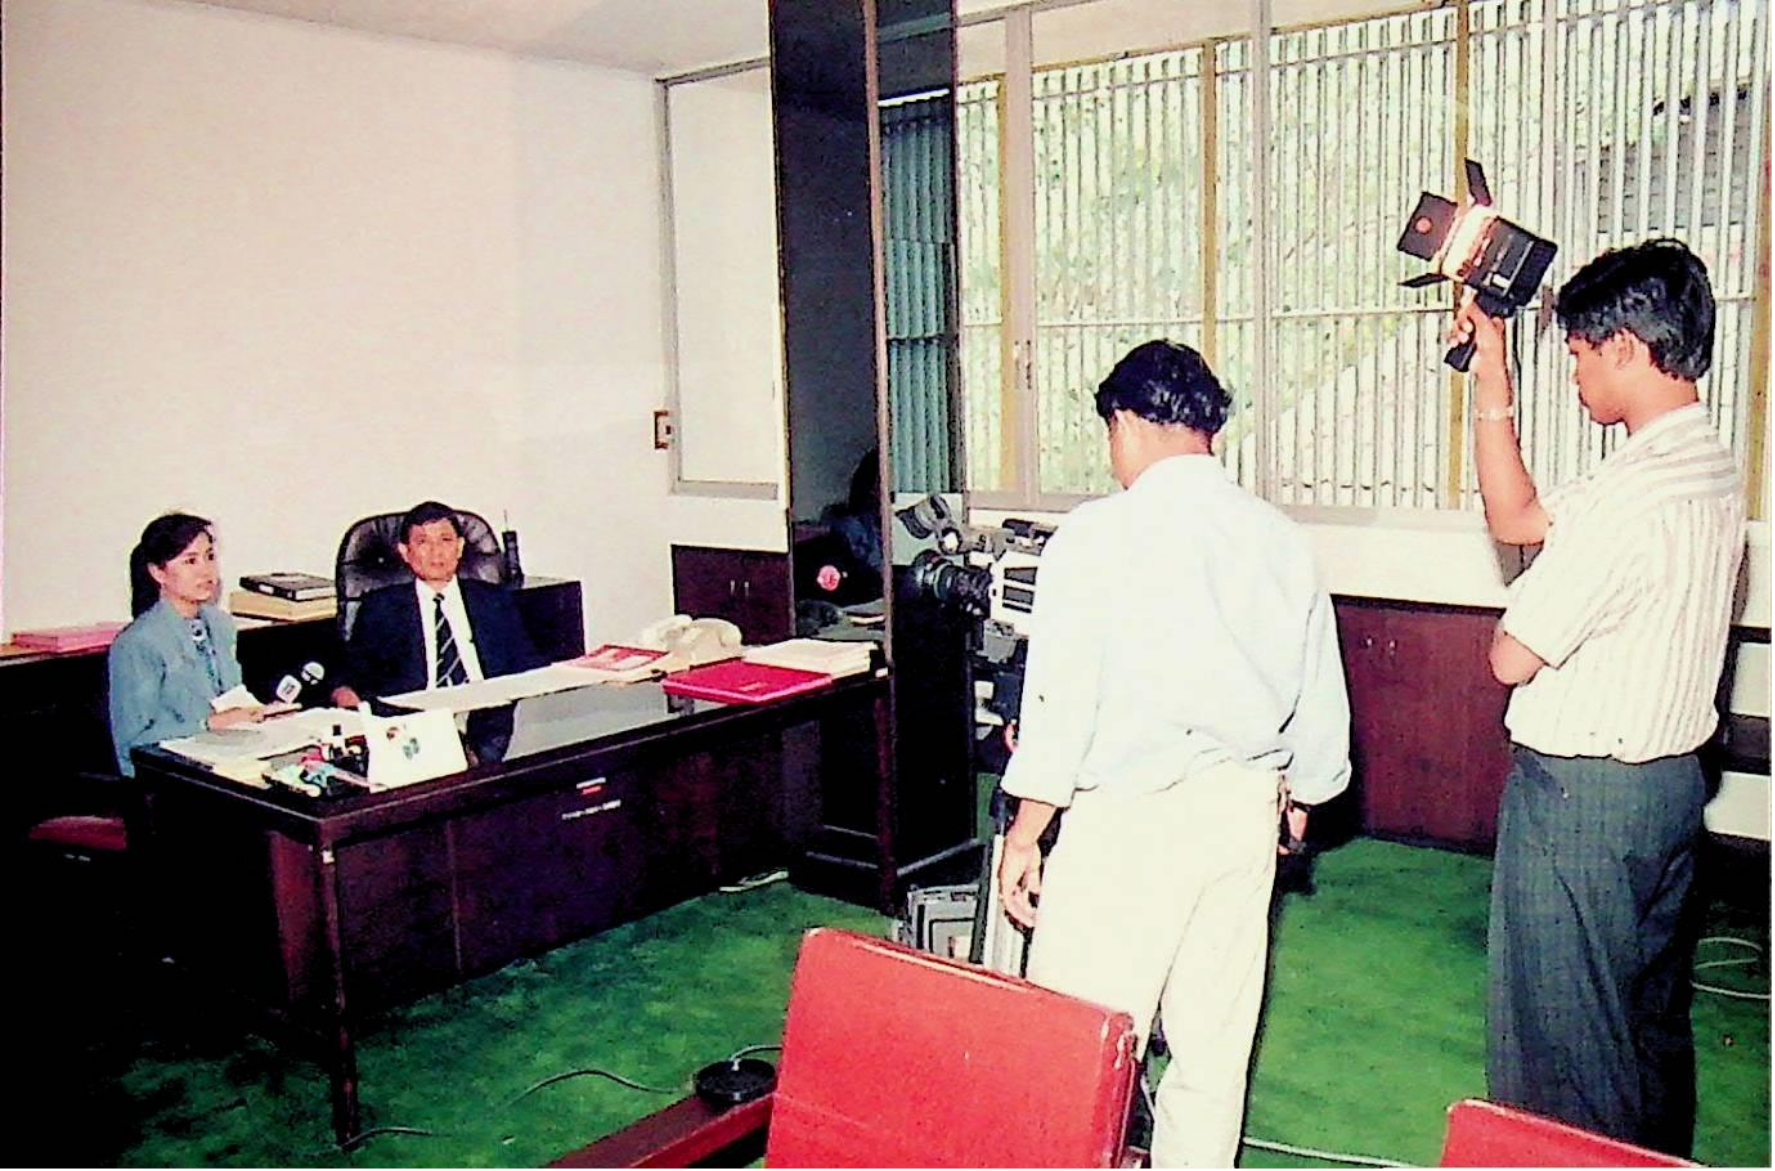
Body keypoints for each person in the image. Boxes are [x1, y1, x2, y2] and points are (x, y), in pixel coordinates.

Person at [996, 340, 1351, 1168]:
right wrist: (1297, 803)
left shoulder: (1097, 534)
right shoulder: (1278, 538)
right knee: (1212, 1050)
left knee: (1075, 1042)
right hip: (1241, 813)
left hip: (1128, 822)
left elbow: (1059, 706)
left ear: (1124, 422)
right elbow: (1319, 705)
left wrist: (1025, 832)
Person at [1452, 237, 1744, 1156]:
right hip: (1665, 791)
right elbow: (1517, 517)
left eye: (1579, 352)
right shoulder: (1700, 463)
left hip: (1581, 801)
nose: (1574, 371)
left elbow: (1510, 656)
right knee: (1641, 1030)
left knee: (1562, 1055)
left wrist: (1519, 623)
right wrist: (1492, 377)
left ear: (1623, 346)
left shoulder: (1633, 498)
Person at [331, 500, 544, 708]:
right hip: (416, 717)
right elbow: (351, 676)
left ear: (459, 547)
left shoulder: (494, 600)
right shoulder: (381, 608)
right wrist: (345, 693)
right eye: (423, 542)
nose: (436, 552)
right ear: (405, 552)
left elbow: (528, 665)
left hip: (488, 712)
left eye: (445, 540)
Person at [108, 513, 262, 775]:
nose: (206, 570)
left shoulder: (221, 625)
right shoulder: (137, 643)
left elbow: (229, 696)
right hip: (167, 777)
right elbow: (131, 741)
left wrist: (256, 713)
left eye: (210, 556)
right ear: (158, 572)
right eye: (190, 561)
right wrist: (207, 724)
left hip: (226, 756)